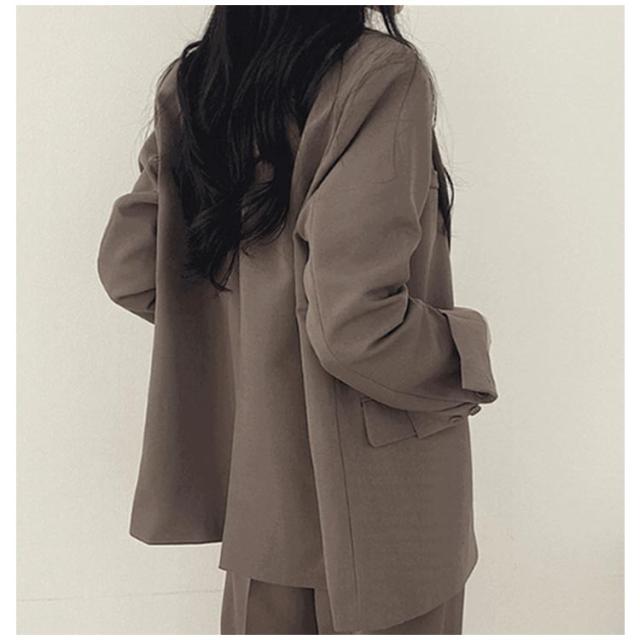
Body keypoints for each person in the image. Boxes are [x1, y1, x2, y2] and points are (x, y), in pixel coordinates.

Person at [97, 5, 498, 635]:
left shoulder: (198, 82)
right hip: (382, 515)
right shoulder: (378, 74)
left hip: (264, 513)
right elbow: (355, 324)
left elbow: (131, 268)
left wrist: (242, 332)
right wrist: (463, 353)